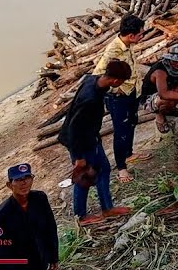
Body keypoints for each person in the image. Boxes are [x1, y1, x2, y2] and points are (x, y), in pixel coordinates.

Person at [57, 59, 133, 225]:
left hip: (90, 136)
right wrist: (78, 157)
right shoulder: (90, 98)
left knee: (103, 169)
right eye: (121, 82)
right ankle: (81, 216)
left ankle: (107, 208)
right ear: (115, 80)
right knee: (84, 175)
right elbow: (74, 128)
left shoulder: (94, 80)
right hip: (80, 141)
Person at [91, 14, 150, 184]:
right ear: (131, 35)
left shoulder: (127, 45)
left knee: (132, 122)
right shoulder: (113, 51)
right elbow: (99, 76)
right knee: (121, 131)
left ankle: (129, 154)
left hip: (131, 91)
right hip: (118, 96)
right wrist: (115, 90)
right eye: (140, 34)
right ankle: (121, 168)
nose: (142, 37)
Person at [0, 163, 58, 270]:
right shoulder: (1, 215)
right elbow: (0, 250)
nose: (24, 183)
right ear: (9, 185)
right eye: (18, 180)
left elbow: (50, 228)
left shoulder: (40, 199)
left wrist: (53, 256)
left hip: (40, 265)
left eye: (27, 177)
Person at [140, 44, 178, 133]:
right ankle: (160, 115)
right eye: (175, 61)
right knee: (165, 100)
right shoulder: (160, 71)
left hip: (170, 88)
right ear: (169, 59)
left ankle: (171, 109)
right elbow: (164, 94)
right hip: (153, 98)